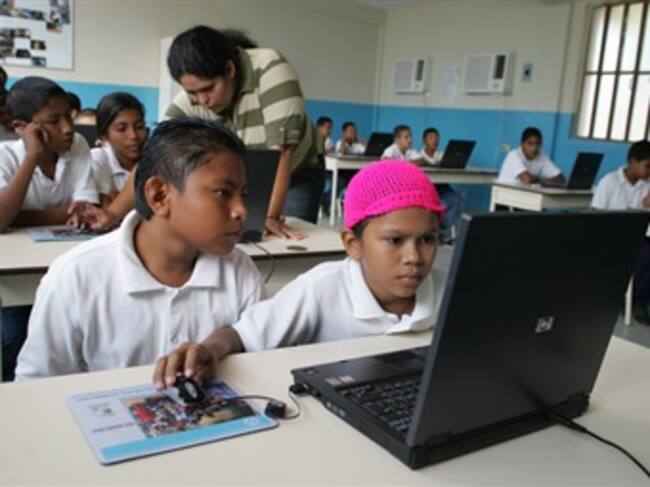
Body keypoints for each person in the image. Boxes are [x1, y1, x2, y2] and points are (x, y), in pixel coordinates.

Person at [153, 160, 446, 387]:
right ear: (353, 244)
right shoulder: (321, 288)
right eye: (395, 240)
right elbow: (243, 334)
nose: (414, 257)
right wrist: (209, 350)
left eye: (428, 239)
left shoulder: (451, 290)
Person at [15, 118, 264, 380]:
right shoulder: (76, 277)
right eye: (223, 193)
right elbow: (35, 385)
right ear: (159, 196)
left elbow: (258, 359)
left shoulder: (240, 270)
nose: (241, 211)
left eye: (243, 195)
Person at [165, 25, 321, 237]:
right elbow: (160, 150)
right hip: (243, 179)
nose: (202, 100)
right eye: (192, 92)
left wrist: (270, 216)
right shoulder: (194, 92)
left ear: (230, 70)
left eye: (208, 89)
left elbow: (283, 152)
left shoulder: (269, 67)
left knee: (285, 241)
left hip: (295, 172)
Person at [0, 76, 99, 381]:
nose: (68, 128)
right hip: (17, 272)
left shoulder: (77, 146)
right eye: (54, 121)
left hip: (67, 261)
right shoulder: (5, 155)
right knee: (14, 336)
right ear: (22, 127)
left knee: (81, 331)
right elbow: (2, 219)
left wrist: (23, 216)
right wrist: (32, 157)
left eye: (69, 116)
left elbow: (85, 211)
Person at [591, 140, 650, 325]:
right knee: (645, 253)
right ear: (633, 161)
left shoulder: (646, 185)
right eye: (647, 166)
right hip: (610, 236)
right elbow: (595, 217)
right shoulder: (609, 182)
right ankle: (632, 300)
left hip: (637, 235)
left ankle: (640, 300)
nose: (649, 171)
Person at [91, 92, 147, 205]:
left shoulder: (156, 160)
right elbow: (102, 209)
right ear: (104, 135)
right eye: (121, 129)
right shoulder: (98, 158)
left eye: (139, 127)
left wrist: (118, 200)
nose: (133, 136)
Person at [418, 127, 464, 235]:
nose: (435, 140)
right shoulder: (417, 156)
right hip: (426, 189)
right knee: (442, 203)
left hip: (442, 188)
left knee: (458, 200)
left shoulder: (443, 155)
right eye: (431, 138)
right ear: (424, 141)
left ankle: (441, 229)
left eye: (436, 138)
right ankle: (434, 230)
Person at [497, 127, 565, 185]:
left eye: (538, 144)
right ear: (522, 144)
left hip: (525, 193)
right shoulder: (513, 155)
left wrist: (539, 180)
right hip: (504, 193)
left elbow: (561, 179)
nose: (534, 148)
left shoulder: (541, 156)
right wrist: (542, 181)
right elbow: (527, 179)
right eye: (530, 144)